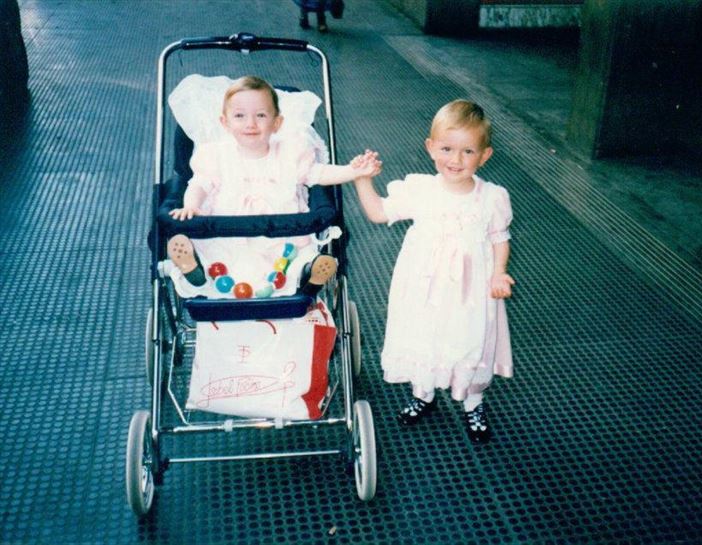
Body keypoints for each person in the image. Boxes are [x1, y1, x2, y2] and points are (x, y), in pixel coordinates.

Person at [351, 99, 514, 443]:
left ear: (485, 155)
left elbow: (500, 237)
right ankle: (423, 393)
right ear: (430, 147)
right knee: (422, 333)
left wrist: (499, 272)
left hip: (471, 291)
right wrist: (363, 180)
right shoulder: (421, 190)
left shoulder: (492, 197)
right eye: (447, 149)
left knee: (470, 339)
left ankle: (474, 401)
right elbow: (379, 212)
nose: (455, 160)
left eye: (468, 151)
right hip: (423, 287)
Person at [167, 75, 381, 299]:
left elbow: (318, 173)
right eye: (239, 116)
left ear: (277, 123)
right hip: (226, 235)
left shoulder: (291, 154)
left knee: (298, 256)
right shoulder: (215, 155)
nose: (250, 123)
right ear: (225, 122)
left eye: (261, 115)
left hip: (282, 236)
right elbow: (199, 184)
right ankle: (196, 271)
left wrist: (353, 171)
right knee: (211, 251)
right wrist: (191, 206)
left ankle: (309, 274)